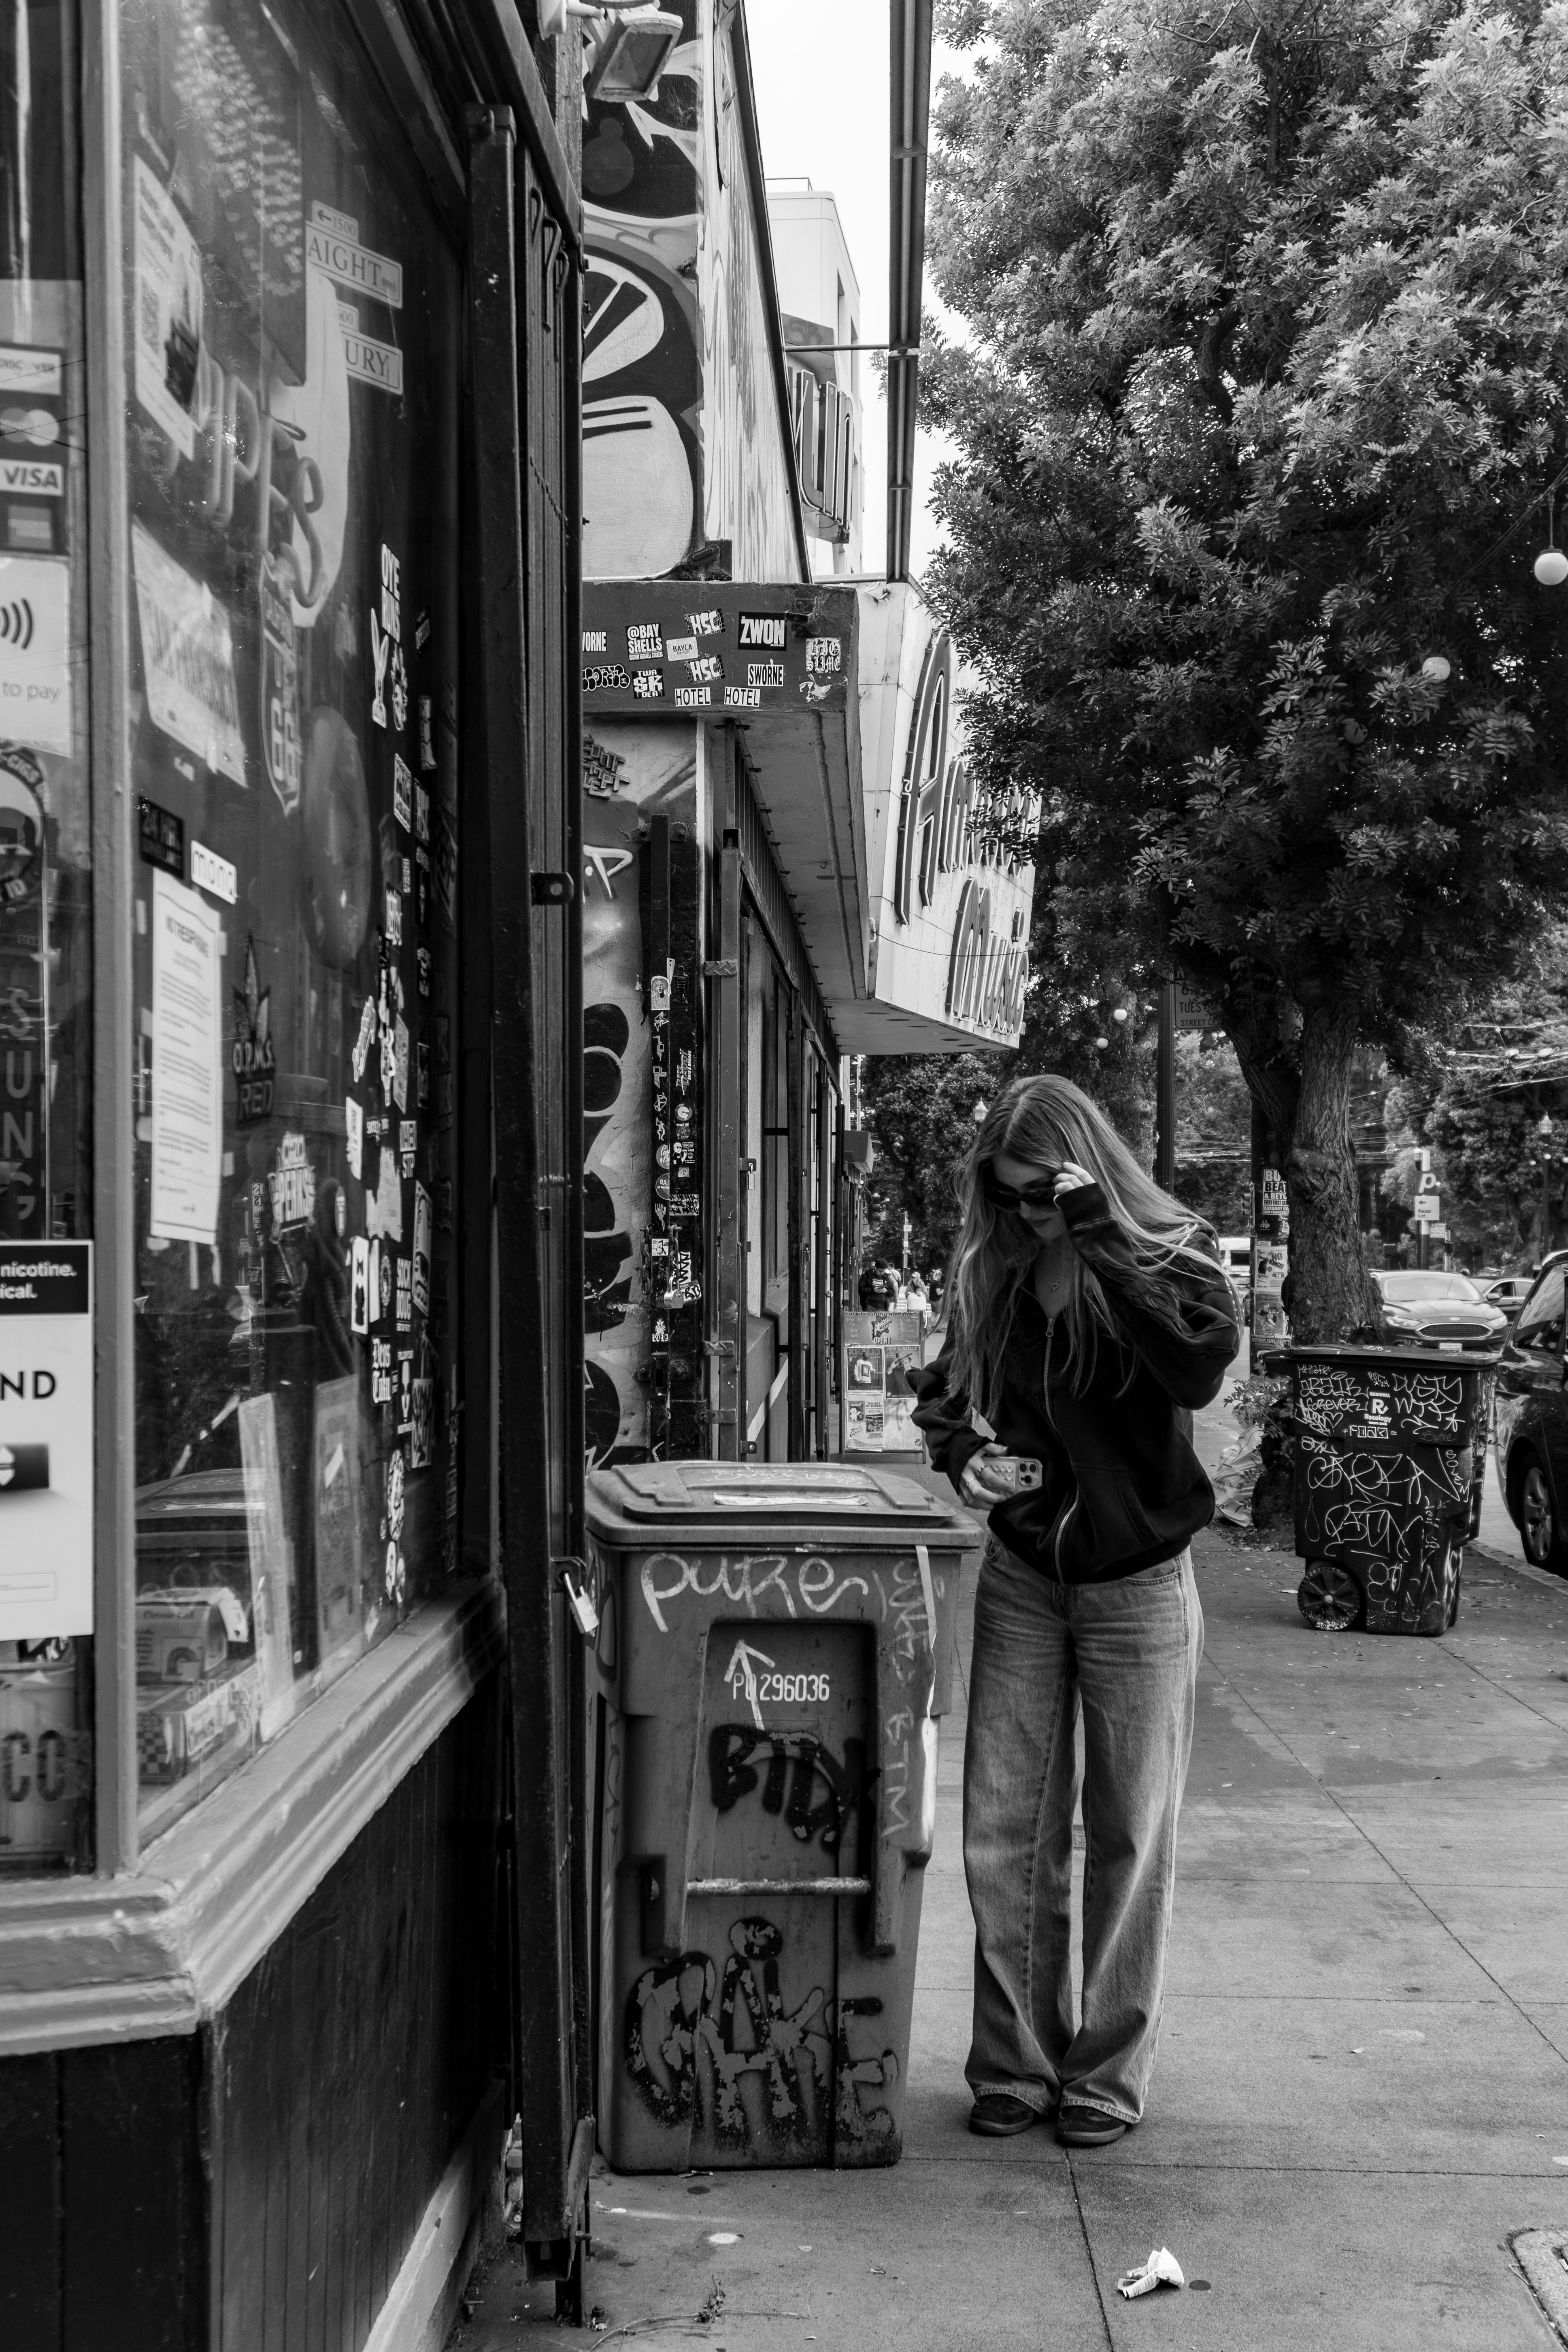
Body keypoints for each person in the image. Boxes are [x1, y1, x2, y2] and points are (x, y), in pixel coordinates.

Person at [910, 1073, 1238, 2148]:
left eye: (1039, 1194)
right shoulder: (995, 1265)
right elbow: (942, 1393)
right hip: (1020, 1576)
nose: (1022, 1216)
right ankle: (1014, 2064)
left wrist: (1094, 1230)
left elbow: (1193, 1367)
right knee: (1006, 1832)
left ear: (1083, 1172)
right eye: (1006, 1198)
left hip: (1137, 1583)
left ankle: (1102, 2073)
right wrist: (967, 1459)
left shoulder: (1172, 1247)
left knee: (1128, 1835)